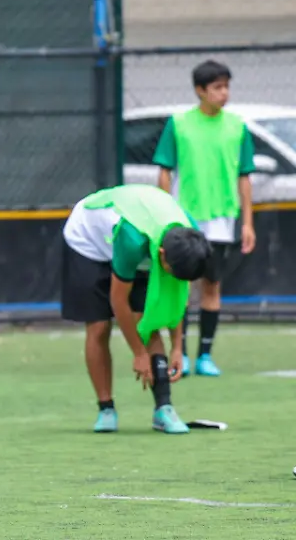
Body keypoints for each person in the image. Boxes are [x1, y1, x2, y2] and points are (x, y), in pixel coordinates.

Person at [60, 184, 212, 435]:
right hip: (87, 241)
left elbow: (176, 295)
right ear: (162, 256)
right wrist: (138, 353)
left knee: (148, 319)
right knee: (99, 326)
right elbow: (118, 302)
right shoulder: (132, 240)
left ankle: (164, 409)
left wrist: (177, 347)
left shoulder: (190, 237)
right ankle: (106, 408)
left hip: (141, 239)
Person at [151, 59, 255, 378]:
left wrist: (247, 222)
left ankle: (205, 356)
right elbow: (165, 171)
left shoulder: (238, 127)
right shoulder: (179, 124)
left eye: (227, 87)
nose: (224, 93)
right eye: (217, 88)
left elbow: (244, 177)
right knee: (181, 289)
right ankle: (176, 351)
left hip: (222, 220)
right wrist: (168, 214)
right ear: (200, 91)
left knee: (212, 286)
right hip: (185, 221)